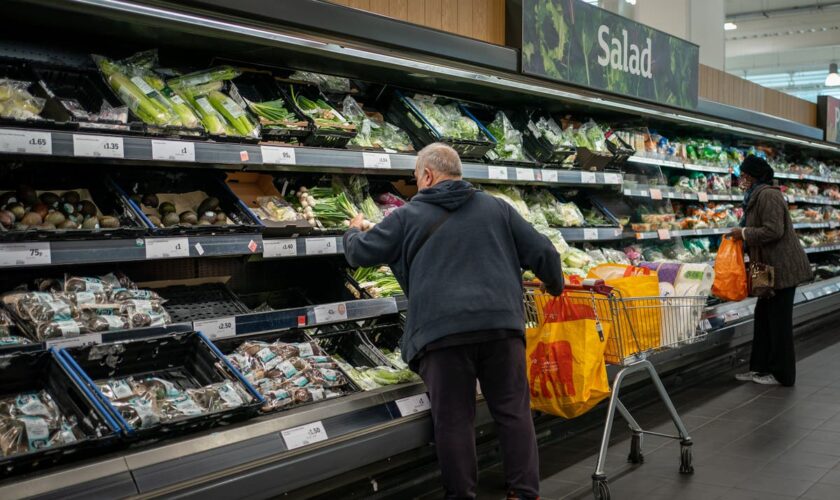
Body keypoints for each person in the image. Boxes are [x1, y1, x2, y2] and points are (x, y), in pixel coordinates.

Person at [343, 143, 564, 499]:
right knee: (513, 412)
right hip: (500, 328)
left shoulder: (406, 216)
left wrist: (353, 230)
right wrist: (554, 284)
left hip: (442, 335)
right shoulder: (498, 208)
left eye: (416, 178)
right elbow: (544, 252)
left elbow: (359, 253)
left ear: (428, 175)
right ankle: (524, 493)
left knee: (454, 422)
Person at [729, 155, 812, 386]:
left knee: (779, 323)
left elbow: (774, 230)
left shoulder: (769, 195)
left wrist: (743, 234)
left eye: (744, 176)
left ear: (753, 176)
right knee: (763, 319)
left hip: (780, 267)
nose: (741, 180)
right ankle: (759, 368)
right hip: (763, 267)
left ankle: (782, 374)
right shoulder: (755, 196)